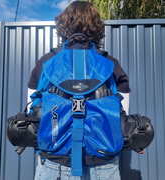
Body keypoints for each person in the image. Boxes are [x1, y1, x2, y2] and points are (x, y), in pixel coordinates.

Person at [27, 1, 131, 180]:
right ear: (97, 28)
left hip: (54, 163)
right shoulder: (111, 64)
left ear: (63, 26)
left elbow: (32, 113)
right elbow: (122, 117)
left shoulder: (46, 62)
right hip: (102, 164)